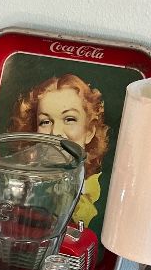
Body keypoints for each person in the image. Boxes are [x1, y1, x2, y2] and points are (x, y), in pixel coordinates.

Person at [10, 73, 109, 228]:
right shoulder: (22, 190)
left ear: (89, 131)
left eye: (69, 119)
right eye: (45, 121)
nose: (56, 132)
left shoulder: (101, 196)